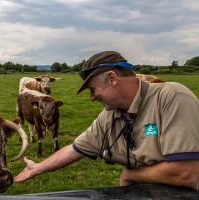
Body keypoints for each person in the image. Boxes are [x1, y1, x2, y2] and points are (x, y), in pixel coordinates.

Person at [14, 51, 199, 190]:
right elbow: (75, 149)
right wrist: (38, 168)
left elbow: (186, 173)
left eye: (93, 89)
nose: (92, 98)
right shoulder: (110, 114)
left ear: (112, 79)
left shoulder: (172, 97)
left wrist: (131, 174)